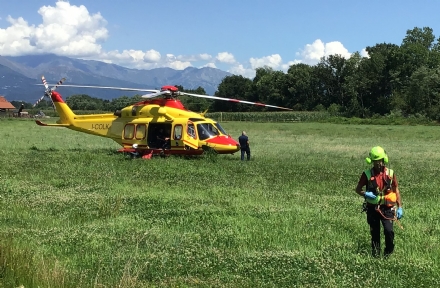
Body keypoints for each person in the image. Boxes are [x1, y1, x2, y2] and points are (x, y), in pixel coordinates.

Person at [355, 146, 403, 258]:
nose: (378, 163)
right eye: (376, 161)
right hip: (373, 209)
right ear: (371, 161)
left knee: (389, 231)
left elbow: (396, 190)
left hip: (387, 208)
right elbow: (357, 189)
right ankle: (375, 256)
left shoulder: (390, 173)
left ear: (384, 159)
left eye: (380, 160)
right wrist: (365, 194)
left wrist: (399, 207)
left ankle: (388, 254)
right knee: (375, 234)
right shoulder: (367, 174)